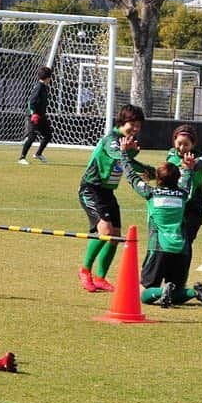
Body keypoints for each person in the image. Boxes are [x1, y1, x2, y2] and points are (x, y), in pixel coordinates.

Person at [120, 136, 202, 309]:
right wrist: (188, 167)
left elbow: (132, 177)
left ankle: (162, 291)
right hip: (182, 249)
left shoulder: (151, 193)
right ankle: (195, 292)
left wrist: (124, 154)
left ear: (158, 179)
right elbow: (187, 177)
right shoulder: (183, 194)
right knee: (178, 293)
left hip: (159, 248)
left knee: (143, 293)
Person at [77, 104, 153, 293]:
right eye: (132, 124)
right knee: (105, 228)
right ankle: (85, 270)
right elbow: (116, 155)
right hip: (91, 189)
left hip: (107, 192)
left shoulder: (127, 141)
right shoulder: (112, 139)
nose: (135, 129)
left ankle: (100, 277)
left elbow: (127, 162)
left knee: (115, 235)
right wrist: (128, 152)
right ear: (122, 122)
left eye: (138, 126)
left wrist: (150, 172)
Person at [166, 124, 202, 263]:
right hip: (175, 205)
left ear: (193, 144)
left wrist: (190, 165)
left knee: (186, 241)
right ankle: (170, 278)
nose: (182, 148)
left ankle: (179, 278)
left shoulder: (200, 157)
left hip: (194, 207)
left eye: (186, 145)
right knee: (172, 241)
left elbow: (198, 165)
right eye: (179, 143)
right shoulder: (171, 153)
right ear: (174, 140)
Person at [18, 66, 53, 165]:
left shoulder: (44, 87)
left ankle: (38, 154)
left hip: (41, 116)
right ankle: (22, 158)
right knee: (32, 137)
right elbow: (30, 102)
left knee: (48, 135)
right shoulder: (38, 87)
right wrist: (33, 114)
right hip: (34, 116)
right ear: (48, 77)